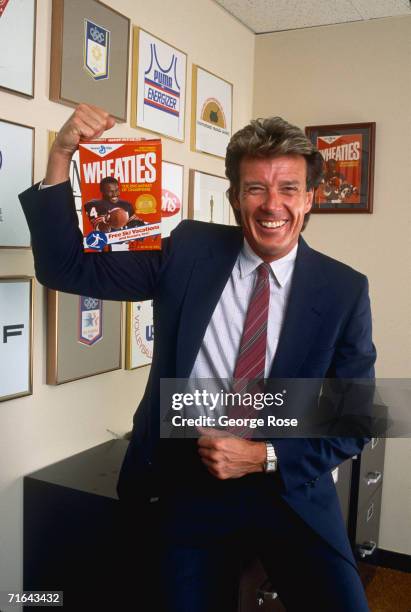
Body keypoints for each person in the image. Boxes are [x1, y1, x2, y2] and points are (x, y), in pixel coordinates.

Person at [19, 104, 375, 612]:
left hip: (288, 487)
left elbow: (355, 416)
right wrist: (61, 156)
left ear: (309, 198)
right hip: (189, 482)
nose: (272, 205)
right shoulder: (188, 250)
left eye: (288, 189)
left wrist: (265, 455)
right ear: (234, 197)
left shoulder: (343, 289)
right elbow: (65, 268)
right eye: (255, 188)